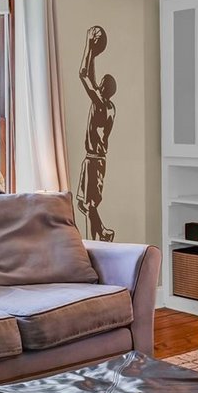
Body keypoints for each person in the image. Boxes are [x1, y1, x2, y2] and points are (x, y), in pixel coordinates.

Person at [77, 25, 117, 242]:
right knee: (85, 204)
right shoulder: (108, 106)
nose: (97, 83)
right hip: (96, 159)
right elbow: (90, 77)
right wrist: (93, 55)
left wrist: (88, 46)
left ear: (103, 89)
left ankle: (98, 237)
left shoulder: (101, 104)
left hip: (94, 160)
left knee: (88, 204)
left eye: (100, 83)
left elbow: (83, 75)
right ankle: (100, 235)